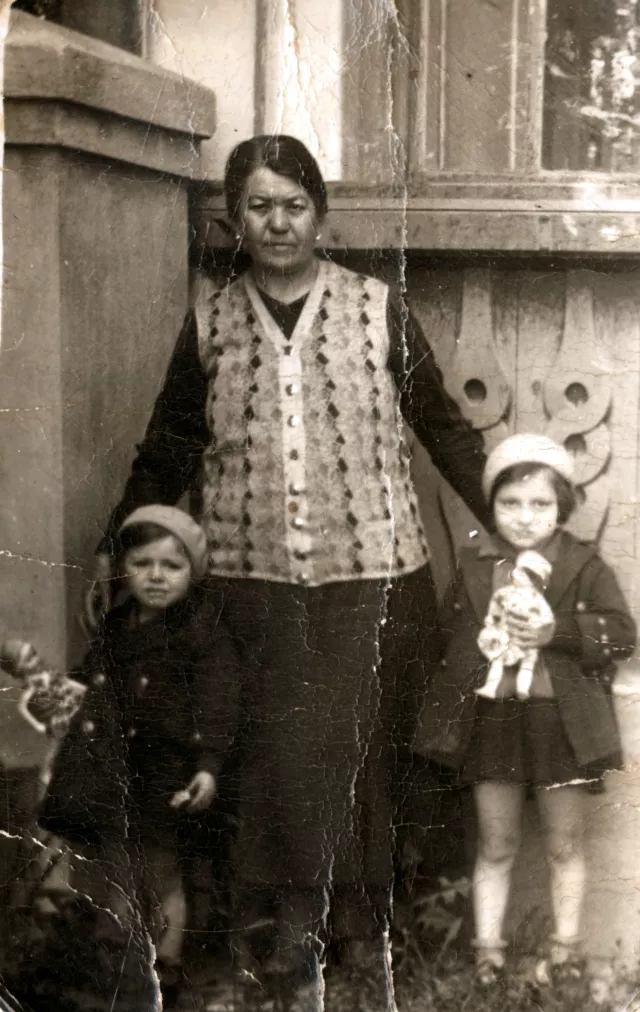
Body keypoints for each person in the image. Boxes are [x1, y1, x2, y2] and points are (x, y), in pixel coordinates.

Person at [86, 134, 491, 1012]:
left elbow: (443, 428)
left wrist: (513, 520)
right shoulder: (213, 321)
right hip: (249, 590)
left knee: (367, 780)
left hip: (372, 585)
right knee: (264, 784)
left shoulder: (378, 308)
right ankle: (279, 972)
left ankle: (367, 970)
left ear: (321, 213)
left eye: (294, 205)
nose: (277, 223)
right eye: (258, 207)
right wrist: (119, 544)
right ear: (236, 218)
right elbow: (168, 446)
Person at [413, 433, 636, 988]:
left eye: (540, 504)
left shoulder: (583, 565)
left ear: (563, 507)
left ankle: (565, 954)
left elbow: (622, 635)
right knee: (496, 843)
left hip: (561, 725)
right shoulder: (475, 567)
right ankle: (488, 954)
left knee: (565, 843)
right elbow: (448, 641)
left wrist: (554, 631)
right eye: (510, 503)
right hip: (494, 723)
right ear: (492, 507)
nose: (524, 517)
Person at [40, 505, 241, 1011]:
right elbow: (89, 687)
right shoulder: (116, 625)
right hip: (112, 770)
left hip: (165, 773)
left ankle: (166, 969)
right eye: (143, 562)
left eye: (171, 566)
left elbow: (218, 705)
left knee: (163, 872)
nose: (155, 576)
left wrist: (207, 767)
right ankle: (122, 962)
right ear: (124, 566)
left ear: (193, 572)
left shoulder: (200, 635)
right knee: (115, 868)